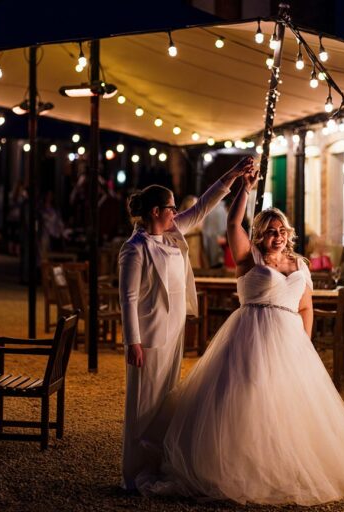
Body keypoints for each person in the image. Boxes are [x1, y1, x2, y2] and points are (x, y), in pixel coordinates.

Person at [138, 171, 344, 505]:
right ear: (259, 235)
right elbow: (232, 223)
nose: (278, 236)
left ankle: (289, 465)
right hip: (250, 335)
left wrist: (304, 345)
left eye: (282, 231)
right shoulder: (248, 257)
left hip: (289, 341)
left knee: (290, 405)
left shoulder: (299, 263)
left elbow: (306, 306)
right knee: (247, 395)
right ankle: (238, 467)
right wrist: (244, 189)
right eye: (271, 231)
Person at [118, 157, 253, 491]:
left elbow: (206, 205)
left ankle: (158, 462)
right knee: (142, 405)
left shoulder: (173, 233)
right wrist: (131, 342)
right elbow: (128, 299)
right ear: (155, 212)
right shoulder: (134, 249)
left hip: (174, 331)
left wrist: (233, 175)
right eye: (171, 208)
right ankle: (133, 473)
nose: (176, 213)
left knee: (166, 402)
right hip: (148, 337)